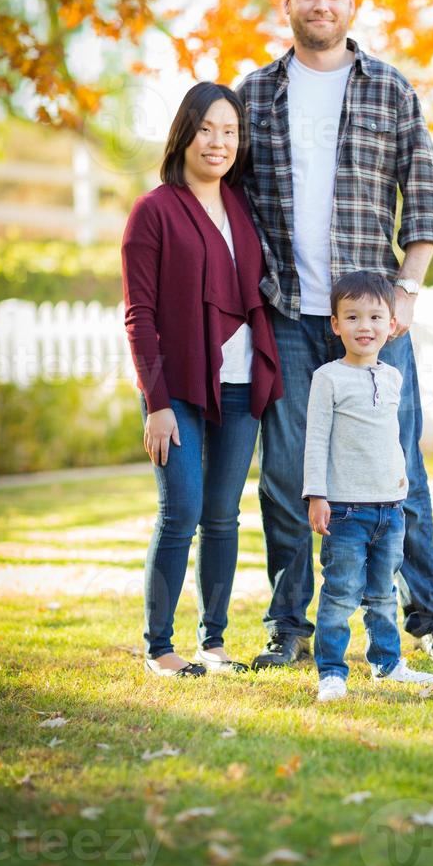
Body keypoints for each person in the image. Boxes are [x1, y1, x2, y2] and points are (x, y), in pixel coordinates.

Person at [238, 0, 433, 670]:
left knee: (401, 467)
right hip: (285, 312)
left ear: (352, 3)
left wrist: (406, 291)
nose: (321, 5)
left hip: (374, 322)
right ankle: (290, 626)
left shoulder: (391, 89)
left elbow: (425, 195)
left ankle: (428, 618)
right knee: (284, 472)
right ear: (287, 3)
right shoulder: (250, 97)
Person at [121, 82, 282, 679]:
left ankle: (213, 643)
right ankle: (159, 648)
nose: (218, 142)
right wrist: (155, 403)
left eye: (230, 132)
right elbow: (140, 314)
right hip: (178, 390)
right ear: (185, 133)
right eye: (207, 129)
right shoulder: (154, 210)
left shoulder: (242, 207)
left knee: (221, 514)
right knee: (180, 510)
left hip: (240, 385)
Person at [304, 272, 433, 702]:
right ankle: (331, 672)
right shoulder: (328, 378)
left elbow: (393, 439)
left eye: (376, 317)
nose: (365, 326)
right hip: (345, 511)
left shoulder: (394, 377)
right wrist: (316, 495)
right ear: (336, 325)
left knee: (382, 592)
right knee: (341, 592)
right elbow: (316, 440)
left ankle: (387, 663)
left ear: (392, 323)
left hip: (390, 510)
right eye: (353, 316)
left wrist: (399, 483)